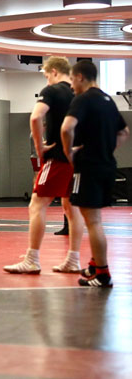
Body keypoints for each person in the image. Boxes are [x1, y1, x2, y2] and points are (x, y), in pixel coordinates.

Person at [4, 56, 85, 275]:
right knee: (71, 208)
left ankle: (32, 259)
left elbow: (35, 117)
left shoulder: (52, 91)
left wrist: (40, 147)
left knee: (36, 204)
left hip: (57, 157)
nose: (47, 79)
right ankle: (74, 259)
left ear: (54, 71)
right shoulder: (80, 92)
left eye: (47, 75)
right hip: (78, 160)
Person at [61, 60, 128, 288]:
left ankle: (102, 273)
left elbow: (66, 128)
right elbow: (124, 132)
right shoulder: (108, 100)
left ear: (80, 76)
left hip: (89, 166)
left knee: (94, 222)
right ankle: (94, 263)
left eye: (71, 80)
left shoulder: (83, 99)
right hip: (108, 165)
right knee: (94, 219)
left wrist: (69, 152)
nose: (71, 86)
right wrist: (105, 148)